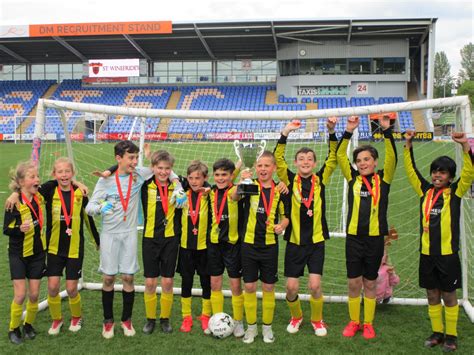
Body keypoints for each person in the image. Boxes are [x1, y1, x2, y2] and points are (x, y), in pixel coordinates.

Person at [86, 141, 185, 339]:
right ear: (118, 158)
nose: (134, 162)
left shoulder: (139, 175)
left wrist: (178, 186)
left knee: (128, 278)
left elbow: (165, 170)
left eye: (136, 157)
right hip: (109, 235)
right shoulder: (105, 181)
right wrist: (100, 208)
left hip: (130, 233)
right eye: (131, 158)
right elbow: (89, 208)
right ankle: (108, 321)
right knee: (108, 278)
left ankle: (126, 320)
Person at [404, 130, 473, 352]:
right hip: (426, 254)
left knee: (449, 295)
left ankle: (451, 335)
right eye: (434, 171)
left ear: (450, 177)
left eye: (442, 173)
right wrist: (408, 144)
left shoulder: (456, 192)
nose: (436, 176)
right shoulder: (424, 190)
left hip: (447, 255)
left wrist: (465, 146)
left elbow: (470, 171)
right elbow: (411, 170)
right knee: (432, 294)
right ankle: (436, 333)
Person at [274, 117, 337, 336]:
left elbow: (333, 159)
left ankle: (317, 320)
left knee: (314, 286)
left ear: (314, 162)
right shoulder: (289, 180)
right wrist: (285, 133)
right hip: (294, 242)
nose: (306, 161)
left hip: (316, 242)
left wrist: (331, 132)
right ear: (296, 162)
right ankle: (296, 316)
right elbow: (277, 159)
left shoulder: (321, 179)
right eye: (301, 159)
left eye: (310, 158)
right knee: (291, 288)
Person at [336, 115, 397, 339]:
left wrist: (387, 131)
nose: (362, 163)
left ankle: (368, 323)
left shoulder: (385, 178)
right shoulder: (352, 179)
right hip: (353, 239)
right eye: (359, 160)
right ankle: (354, 321)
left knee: (370, 282)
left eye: (366, 159)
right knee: (353, 282)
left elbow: (392, 157)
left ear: (375, 161)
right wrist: (348, 131)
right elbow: (340, 154)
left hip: (374, 240)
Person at [232, 151, 290, 344]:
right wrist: (241, 182)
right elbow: (233, 197)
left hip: (269, 246)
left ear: (273, 168)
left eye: (267, 166)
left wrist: (282, 225)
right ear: (255, 167)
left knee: (268, 286)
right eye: (260, 165)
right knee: (248, 286)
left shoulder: (280, 189)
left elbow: (286, 216)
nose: (263, 169)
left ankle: (267, 328)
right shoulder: (251, 185)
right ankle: (251, 328)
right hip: (248, 245)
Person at [40, 158, 99, 335]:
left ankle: (76, 317)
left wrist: (97, 240)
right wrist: (75, 181)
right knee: (52, 287)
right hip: (53, 249)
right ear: (54, 174)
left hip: (74, 249)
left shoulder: (80, 193)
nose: (64, 175)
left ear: (72, 172)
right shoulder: (50, 190)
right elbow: (34, 189)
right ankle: (57, 320)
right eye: (60, 172)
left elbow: (88, 218)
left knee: (72, 288)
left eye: (67, 171)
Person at [4, 161, 46, 345]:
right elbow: (6, 229)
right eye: (32, 177)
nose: (37, 179)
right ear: (21, 182)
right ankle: (13, 328)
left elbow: (62, 182)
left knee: (35, 294)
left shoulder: (40, 195)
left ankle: (28, 324)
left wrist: (79, 183)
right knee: (20, 294)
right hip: (18, 254)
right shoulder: (14, 203)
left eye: (37, 176)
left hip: (37, 253)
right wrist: (19, 228)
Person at [141, 150, 182, 335]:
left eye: (167, 168)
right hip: (149, 240)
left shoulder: (179, 184)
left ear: (171, 169)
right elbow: (132, 170)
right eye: (159, 168)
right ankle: (150, 319)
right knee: (150, 283)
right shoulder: (144, 184)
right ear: (153, 168)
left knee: (167, 282)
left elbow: (202, 183)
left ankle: (165, 319)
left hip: (170, 240)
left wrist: (178, 184)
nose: (163, 172)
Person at [208, 158, 245, 337]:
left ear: (231, 176)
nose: (220, 178)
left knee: (235, 285)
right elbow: (226, 177)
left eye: (224, 175)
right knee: (215, 284)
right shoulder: (211, 191)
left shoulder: (234, 191)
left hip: (232, 245)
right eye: (217, 175)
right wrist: (240, 162)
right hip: (214, 244)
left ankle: (238, 322)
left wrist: (243, 166)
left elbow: (236, 193)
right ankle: (216, 319)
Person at [177, 160, 212, 334]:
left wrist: (210, 189)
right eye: (190, 178)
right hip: (186, 248)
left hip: (205, 248)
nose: (194, 181)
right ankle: (187, 317)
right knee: (186, 282)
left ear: (205, 178)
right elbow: (170, 175)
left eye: (197, 178)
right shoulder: (183, 194)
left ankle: (206, 316)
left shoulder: (209, 195)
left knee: (206, 282)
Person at [375, 228, 400, 304]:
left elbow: (395, 282)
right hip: (371, 295)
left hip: (386, 295)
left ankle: (386, 298)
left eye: (382, 255)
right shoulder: (368, 267)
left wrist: (392, 274)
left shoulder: (387, 268)